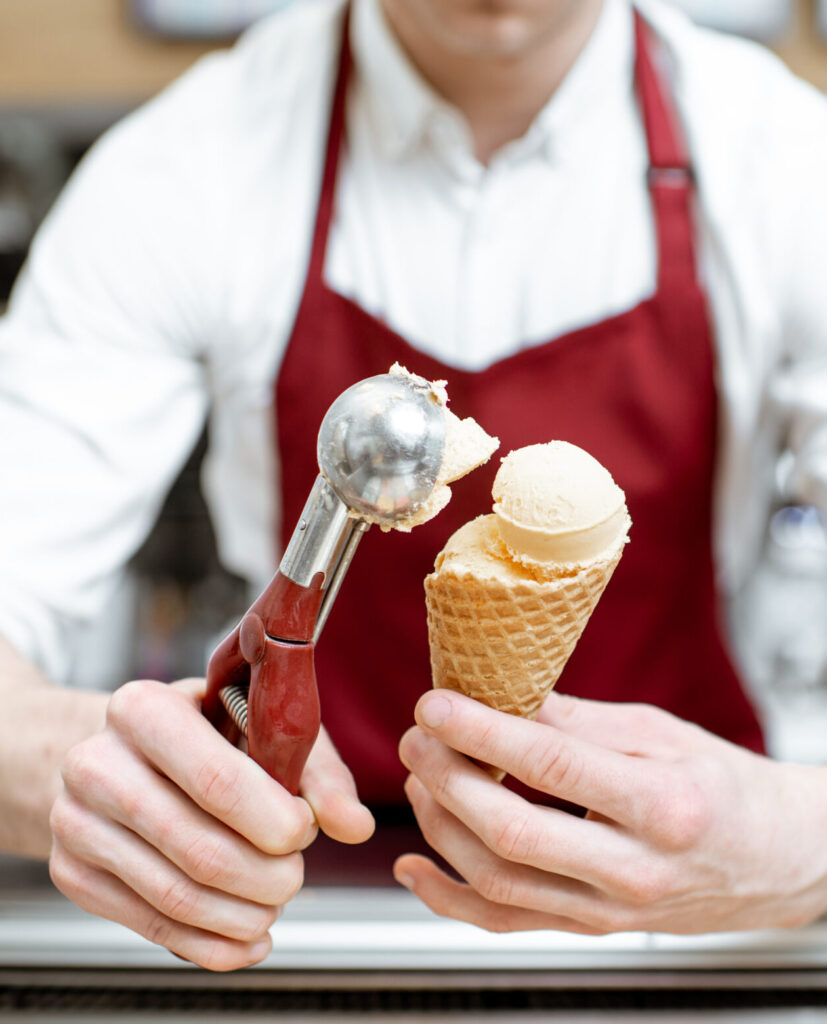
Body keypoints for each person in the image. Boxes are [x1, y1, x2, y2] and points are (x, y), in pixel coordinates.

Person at [1, 0, 827, 973]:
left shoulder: (783, 161)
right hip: (300, 904)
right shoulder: (188, 162)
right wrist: (71, 761)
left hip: (689, 913)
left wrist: (807, 841)